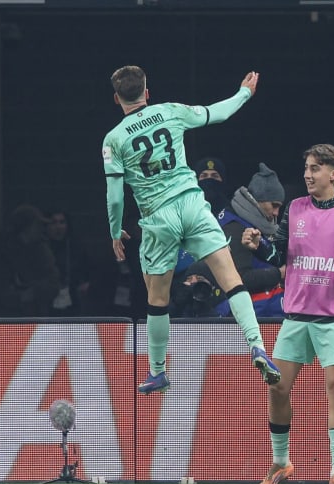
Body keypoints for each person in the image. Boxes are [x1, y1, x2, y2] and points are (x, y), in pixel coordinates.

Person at [102, 65, 281, 394]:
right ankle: (257, 346)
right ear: (147, 92)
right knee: (231, 279)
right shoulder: (171, 111)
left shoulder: (114, 139)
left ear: (116, 99)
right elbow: (218, 113)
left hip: (158, 218)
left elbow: (115, 197)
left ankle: (158, 371)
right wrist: (245, 92)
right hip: (192, 206)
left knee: (157, 299)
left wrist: (115, 232)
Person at [242, 143, 334, 484]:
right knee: (277, 387)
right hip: (296, 315)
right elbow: (280, 254)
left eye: (315, 168)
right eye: (306, 168)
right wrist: (260, 246)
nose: (307, 174)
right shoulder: (295, 209)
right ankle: (281, 462)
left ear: (333, 174)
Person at [175, 162, 287, 318]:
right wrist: (279, 273)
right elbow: (237, 278)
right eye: (273, 205)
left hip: (262, 312)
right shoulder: (235, 227)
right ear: (257, 200)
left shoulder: (249, 223)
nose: (276, 213)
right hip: (244, 316)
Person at [0, 204, 60, 317]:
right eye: (37, 225)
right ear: (26, 227)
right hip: (4, 316)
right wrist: (19, 297)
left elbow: (53, 283)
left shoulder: (41, 250)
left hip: (35, 315)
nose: (41, 229)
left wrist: (34, 291)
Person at [45, 209, 91, 316]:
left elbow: (86, 270)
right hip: (46, 301)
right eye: (53, 222)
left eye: (62, 222)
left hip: (72, 298)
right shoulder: (41, 248)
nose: (58, 227)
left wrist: (85, 283)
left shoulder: (75, 247)